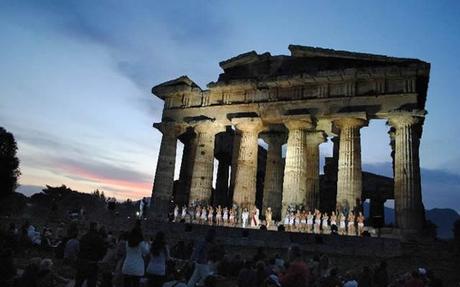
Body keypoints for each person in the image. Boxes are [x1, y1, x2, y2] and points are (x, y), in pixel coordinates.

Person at [74, 222, 107, 287]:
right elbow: (102, 251)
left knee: (78, 282)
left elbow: (80, 248)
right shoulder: (98, 238)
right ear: (95, 227)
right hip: (92, 263)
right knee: (91, 283)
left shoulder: (84, 237)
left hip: (81, 262)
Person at [121, 222, 150, 287]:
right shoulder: (141, 244)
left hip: (127, 266)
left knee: (126, 284)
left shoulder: (127, 243)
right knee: (136, 284)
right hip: (137, 268)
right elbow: (146, 252)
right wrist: (147, 244)